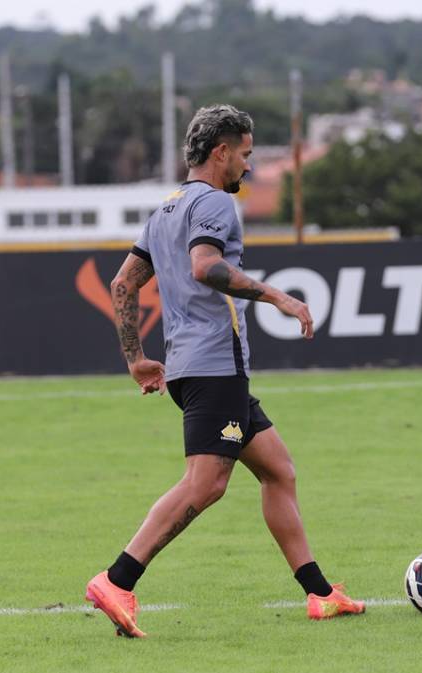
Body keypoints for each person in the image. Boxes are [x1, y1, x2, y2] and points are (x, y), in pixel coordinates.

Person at [84, 104, 365, 639]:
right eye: (245, 154)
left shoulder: (166, 210)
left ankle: (321, 594)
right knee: (207, 483)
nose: (249, 166)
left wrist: (135, 359)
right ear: (221, 152)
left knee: (278, 470)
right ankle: (117, 580)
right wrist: (278, 295)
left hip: (192, 367)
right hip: (214, 365)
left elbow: (123, 285)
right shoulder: (214, 202)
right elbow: (205, 266)